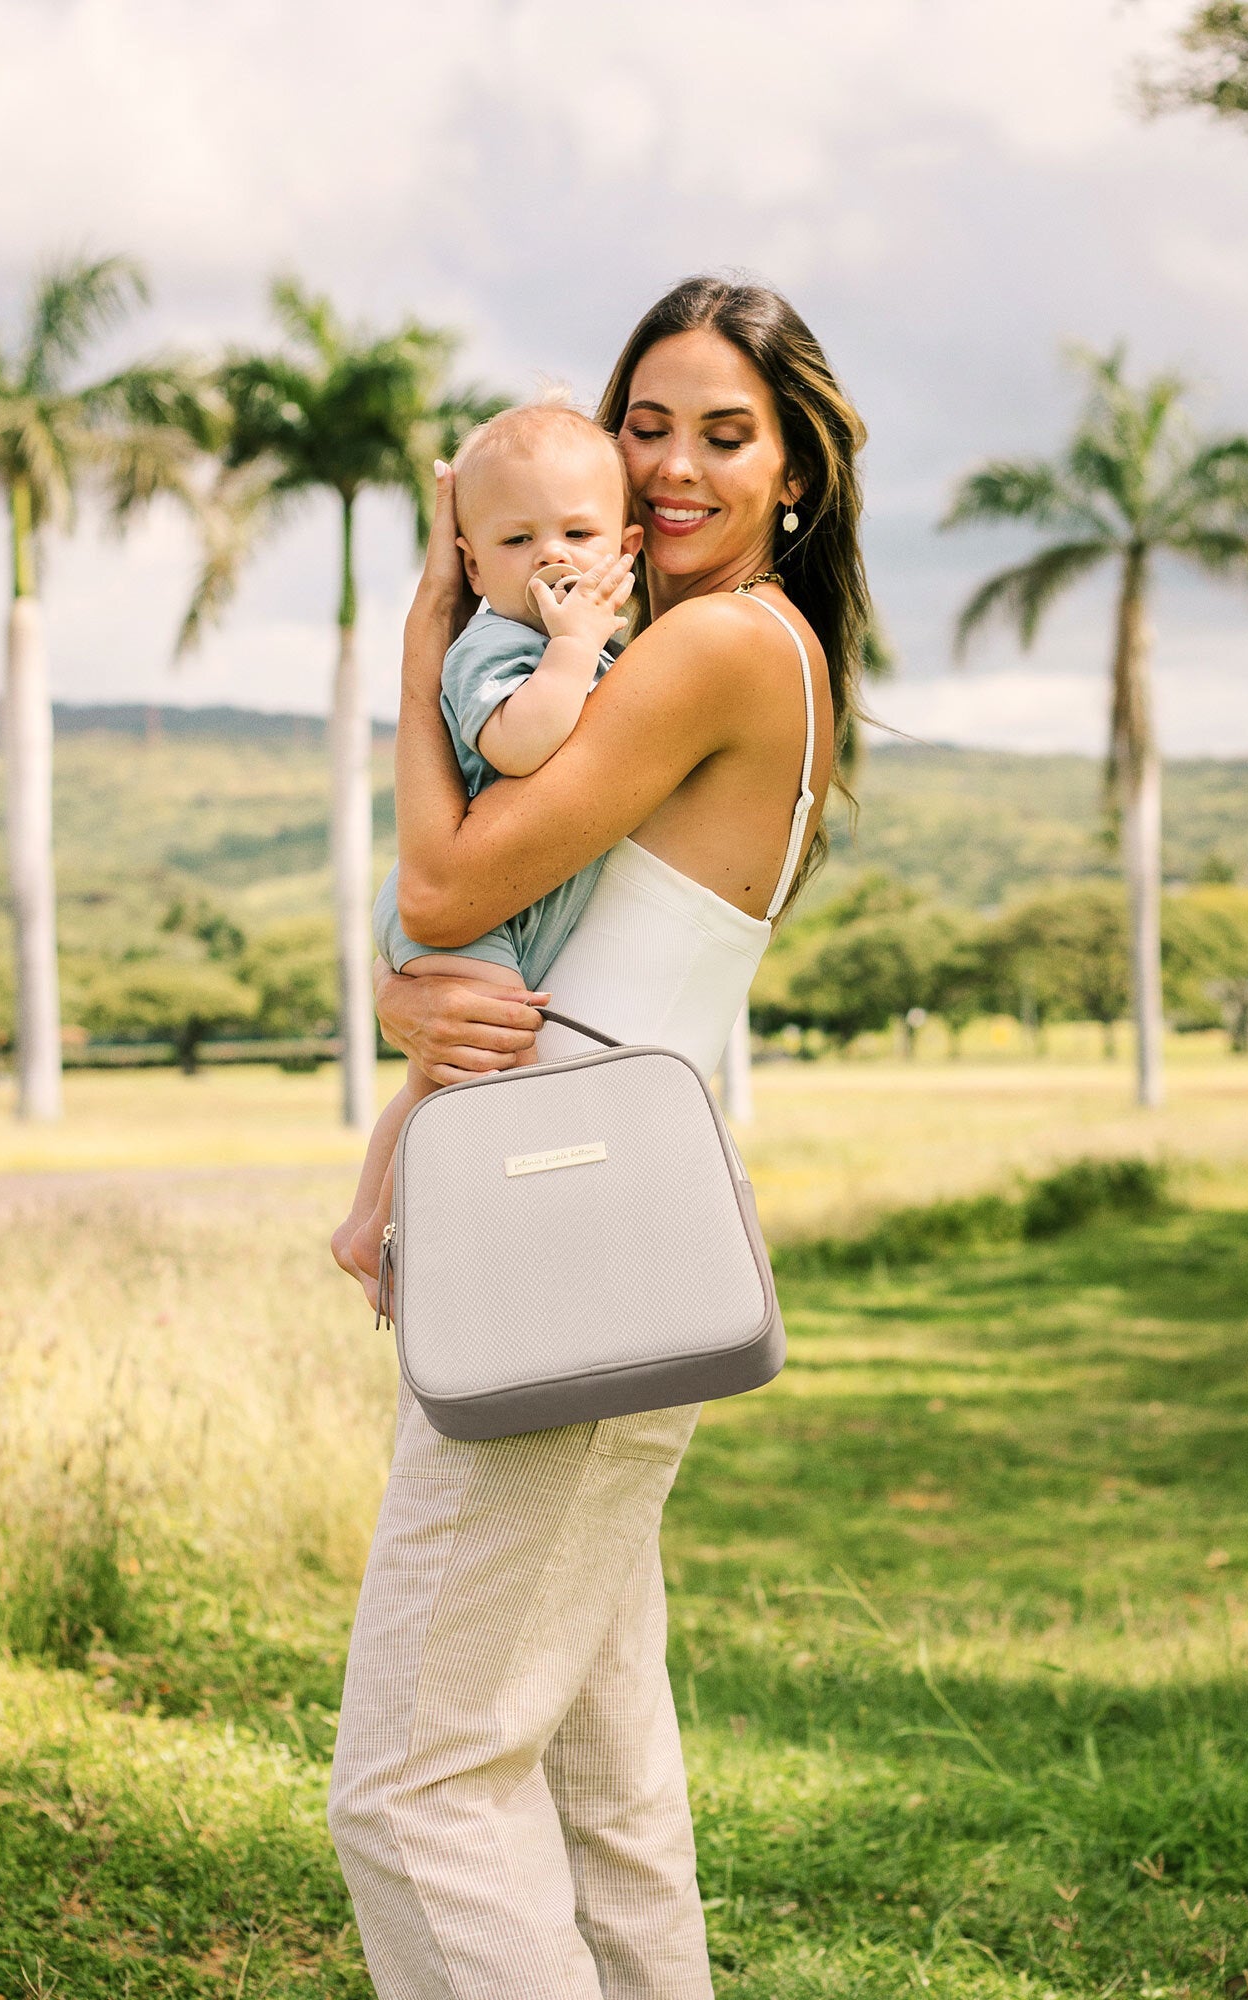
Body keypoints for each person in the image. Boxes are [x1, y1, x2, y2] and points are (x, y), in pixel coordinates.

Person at [326, 275, 871, 2000]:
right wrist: (414, 1032)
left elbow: (444, 883)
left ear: (798, 470)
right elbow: (539, 940)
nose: (675, 469)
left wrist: (422, 646)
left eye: (727, 435)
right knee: (595, 1767)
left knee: (413, 1790)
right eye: (649, 428)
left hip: (565, 1233)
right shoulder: (738, 647)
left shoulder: (712, 645)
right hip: (614, 1221)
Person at [333, 402, 642, 1291]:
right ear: (470, 562)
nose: (552, 557)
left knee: (440, 1077)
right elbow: (518, 745)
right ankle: (400, 1227)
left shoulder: (573, 646)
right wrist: (579, 647)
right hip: (456, 910)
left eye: (578, 532)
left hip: (473, 906)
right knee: (480, 1065)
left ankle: (368, 1226)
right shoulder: (495, 650)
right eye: (515, 542)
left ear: (624, 547)